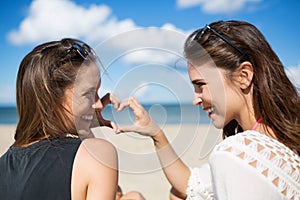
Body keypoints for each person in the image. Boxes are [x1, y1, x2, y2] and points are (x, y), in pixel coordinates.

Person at [116, 20, 300, 199]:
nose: (195, 99)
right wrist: (157, 134)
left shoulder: (237, 153)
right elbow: (190, 185)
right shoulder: (282, 137)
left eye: (201, 85)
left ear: (243, 76)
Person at [0, 38, 144, 200]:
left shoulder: (4, 164)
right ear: (51, 98)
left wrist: (85, 125)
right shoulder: (98, 154)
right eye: (89, 93)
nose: (98, 104)